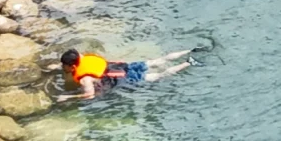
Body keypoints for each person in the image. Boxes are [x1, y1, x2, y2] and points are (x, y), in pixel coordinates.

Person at [51, 48, 193, 101]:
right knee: (156, 61)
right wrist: (57, 65)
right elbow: (76, 60)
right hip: (125, 66)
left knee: (157, 76)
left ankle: (188, 63)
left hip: (124, 77)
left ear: (73, 66)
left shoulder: (85, 80)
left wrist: (69, 97)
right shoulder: (80, 56)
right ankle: (190, 50)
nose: (63, 68)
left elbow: (90, 95)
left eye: (65, 66)